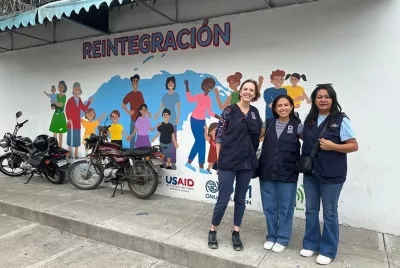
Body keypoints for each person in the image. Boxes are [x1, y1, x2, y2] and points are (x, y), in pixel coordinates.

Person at [299, 84, 358, 265]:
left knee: (330, 213)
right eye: (319, 97)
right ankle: (310, 244)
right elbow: (305, 137)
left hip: (332, 175)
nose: (323, 100)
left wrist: (334, 146)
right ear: (314, 100)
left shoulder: (341, 120)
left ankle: (328, 250)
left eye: (326, 96)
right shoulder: (309, 120)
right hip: (311, 173)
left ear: (332, 99)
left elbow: (353, 145)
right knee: (310, 210)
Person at [208, 79, 262, 251]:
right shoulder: (230, 110)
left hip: (247, 162)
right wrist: (219, 160)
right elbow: (219, 136)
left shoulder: (255, 112)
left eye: (251, 90)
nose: (247, 92)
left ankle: (236, 232)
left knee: (240, 199)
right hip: (228, 161)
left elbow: (256, 134)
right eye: (245, 89)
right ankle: (213, 229)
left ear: (255, 94)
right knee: (223, 199)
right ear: (240, 91)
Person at [258, 95, 303, 253]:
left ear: (291, 106)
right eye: (279, 106)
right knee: (269, 206)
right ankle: (271, 236)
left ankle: (283, 238)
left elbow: (310, 141)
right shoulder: (268, 123)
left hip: (288, 173)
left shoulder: (297, 126)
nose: (283, 108)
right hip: (267, 171)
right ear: (275, 108)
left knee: (286, 207)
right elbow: (255, 137)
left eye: (286, 105)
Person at [184, 78, 220, 174]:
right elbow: (190, 99)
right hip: (195, 120)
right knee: (199, 141)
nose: (209, 88)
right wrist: (187, 86)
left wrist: (219, 117)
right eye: (208, 86)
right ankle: (192, 163)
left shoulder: (208, 99)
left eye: (211, 87)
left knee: (201, 142)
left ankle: (199, 166)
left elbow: (210, 112)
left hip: (202, 121)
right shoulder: (200, 96)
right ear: (203, 86)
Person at [154, 76, 180, 168]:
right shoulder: (164, 96)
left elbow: (178, 107)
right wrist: (157, 114)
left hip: (173, 121)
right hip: (165, 120)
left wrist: (177, 117)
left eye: (172, 83)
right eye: (169, 83)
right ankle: (163, 161)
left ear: (174, 84)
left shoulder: (176, 95)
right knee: (164, 142)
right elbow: (161, 106)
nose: (170, 84)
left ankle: (172, 162)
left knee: (172, 141)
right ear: (167, 84)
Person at [65, 82, 93, 159]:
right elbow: (66, 109)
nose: (77, 91)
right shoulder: (70, 100)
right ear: (73, 90)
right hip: (71, 123)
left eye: (78, 89)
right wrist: (68, 118)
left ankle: (76, 155)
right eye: (76, 89)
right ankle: (70, 154)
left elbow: (84, 109)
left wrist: (89, 102)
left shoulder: (79, 99)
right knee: (70, 139)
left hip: (77, 123)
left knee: (77, 139)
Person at [122, 74, 145, 148]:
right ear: (132, 83)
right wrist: (128, 112)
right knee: (132, 137)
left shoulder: (140, 94)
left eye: (136, 81)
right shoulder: (130, 94)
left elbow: (143, 106)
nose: (135, 82)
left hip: (140, 119)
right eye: (134, 81)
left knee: (141, 137)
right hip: (133, 120)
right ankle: (132, 154)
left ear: (138, 83)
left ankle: (140, 153)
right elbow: (123, 104)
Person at [48, 81, 68, 147]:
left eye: (61, 87)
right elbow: (52, 108)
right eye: (59, 87)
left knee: (60, 134)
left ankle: (60, 147)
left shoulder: (64, 96)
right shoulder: (55, 96)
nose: (60, 88)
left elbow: (60, 105)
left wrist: (54, 101)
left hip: (61, 117)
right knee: (54, 133)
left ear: (64, 88)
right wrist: (52, 103)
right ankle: (54, 147)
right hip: (56, 116)